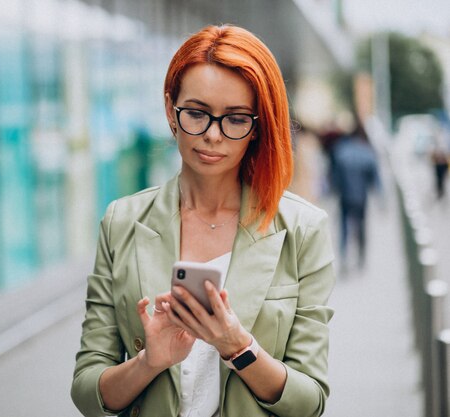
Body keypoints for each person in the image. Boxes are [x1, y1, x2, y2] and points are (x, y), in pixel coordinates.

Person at [71, 25, 335, 417]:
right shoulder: (122, 221)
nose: (212, 135)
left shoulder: (302, 228)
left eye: (235, 119)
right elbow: (86, 391)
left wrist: (238, 347)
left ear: (257, 127)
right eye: (196, 113)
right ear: (169, 111)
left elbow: (309, 402)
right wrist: (149, 362)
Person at [331, 122, 380, 269]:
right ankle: (361, 257)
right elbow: (375, 179)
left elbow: (334, 175)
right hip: (361, 197)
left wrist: (334, 190)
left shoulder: (340, 151)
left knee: (344, 227)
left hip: (345, 196)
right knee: (361, 227)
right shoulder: (367, 152)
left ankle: (344, 257)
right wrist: (380, 198)